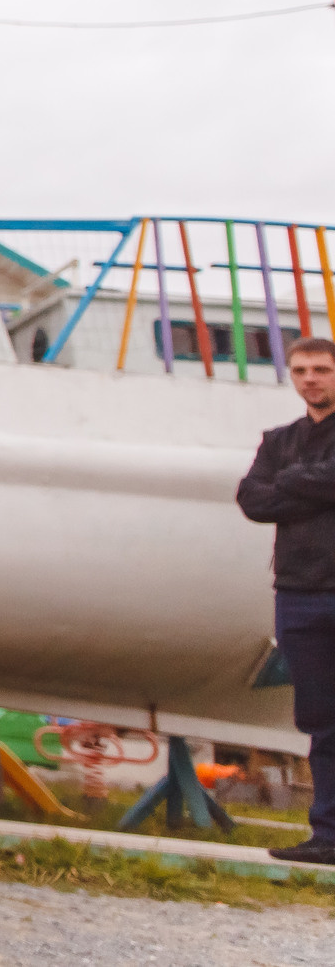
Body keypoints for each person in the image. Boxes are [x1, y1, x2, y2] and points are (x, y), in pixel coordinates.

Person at [237, 335, 335, 864]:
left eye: (321, 369)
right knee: (320, 718)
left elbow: (281, 491)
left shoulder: (285, 457)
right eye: (300, 370)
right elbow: (252, 499)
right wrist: (312, 486)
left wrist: (291, 484)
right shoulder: (278, 440)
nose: (310, 379)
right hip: (298, 594)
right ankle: (328, 836)